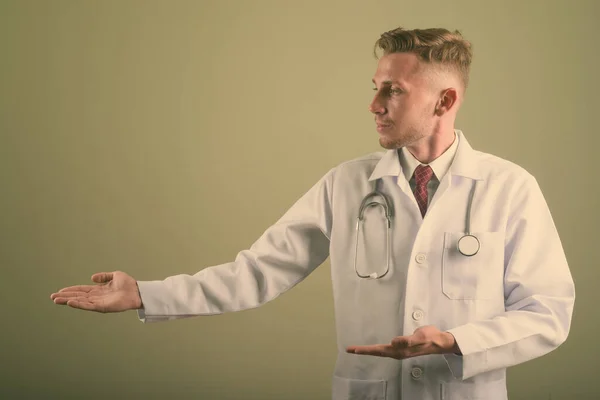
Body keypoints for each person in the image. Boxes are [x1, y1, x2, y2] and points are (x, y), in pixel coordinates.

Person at [50, 26, 575, 400]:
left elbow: (549, 312)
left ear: (444, 101)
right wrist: (145, 293)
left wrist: (455, 341)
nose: (374, 105)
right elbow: (257, 272)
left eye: (393, 91)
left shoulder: (509, 189)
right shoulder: (346, 184)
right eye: (376, 88)